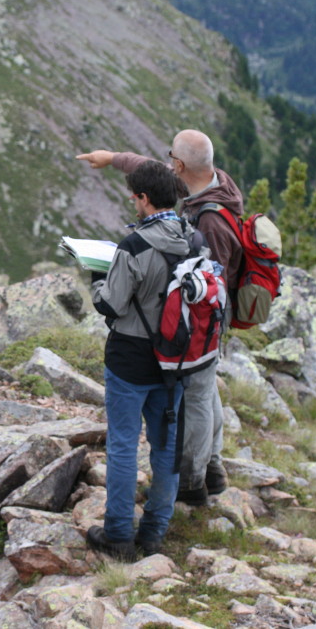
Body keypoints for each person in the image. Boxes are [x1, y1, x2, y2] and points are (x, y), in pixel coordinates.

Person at [77, 129, 243, 506]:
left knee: (197, 396)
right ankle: (211, 469)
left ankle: (195, 482)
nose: (168, 163)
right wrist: (113, 157)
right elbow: (151, 172)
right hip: (194, 319)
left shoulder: (210, 221)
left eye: (171, 158)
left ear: (180, 166)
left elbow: (203, 285)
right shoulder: (209, 186)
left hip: (201, 320)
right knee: (203, 392)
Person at [84, 159, 191, 561]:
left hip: (130, 359)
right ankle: (154, 533)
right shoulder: (193, 238)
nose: (133, 201)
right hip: (176, 362)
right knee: (166, 446)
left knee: (125, 446)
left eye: (134, 196)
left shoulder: (134, 246)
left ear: (145, 199)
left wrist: (96, 275)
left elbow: (110, 303)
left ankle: (117, 536)